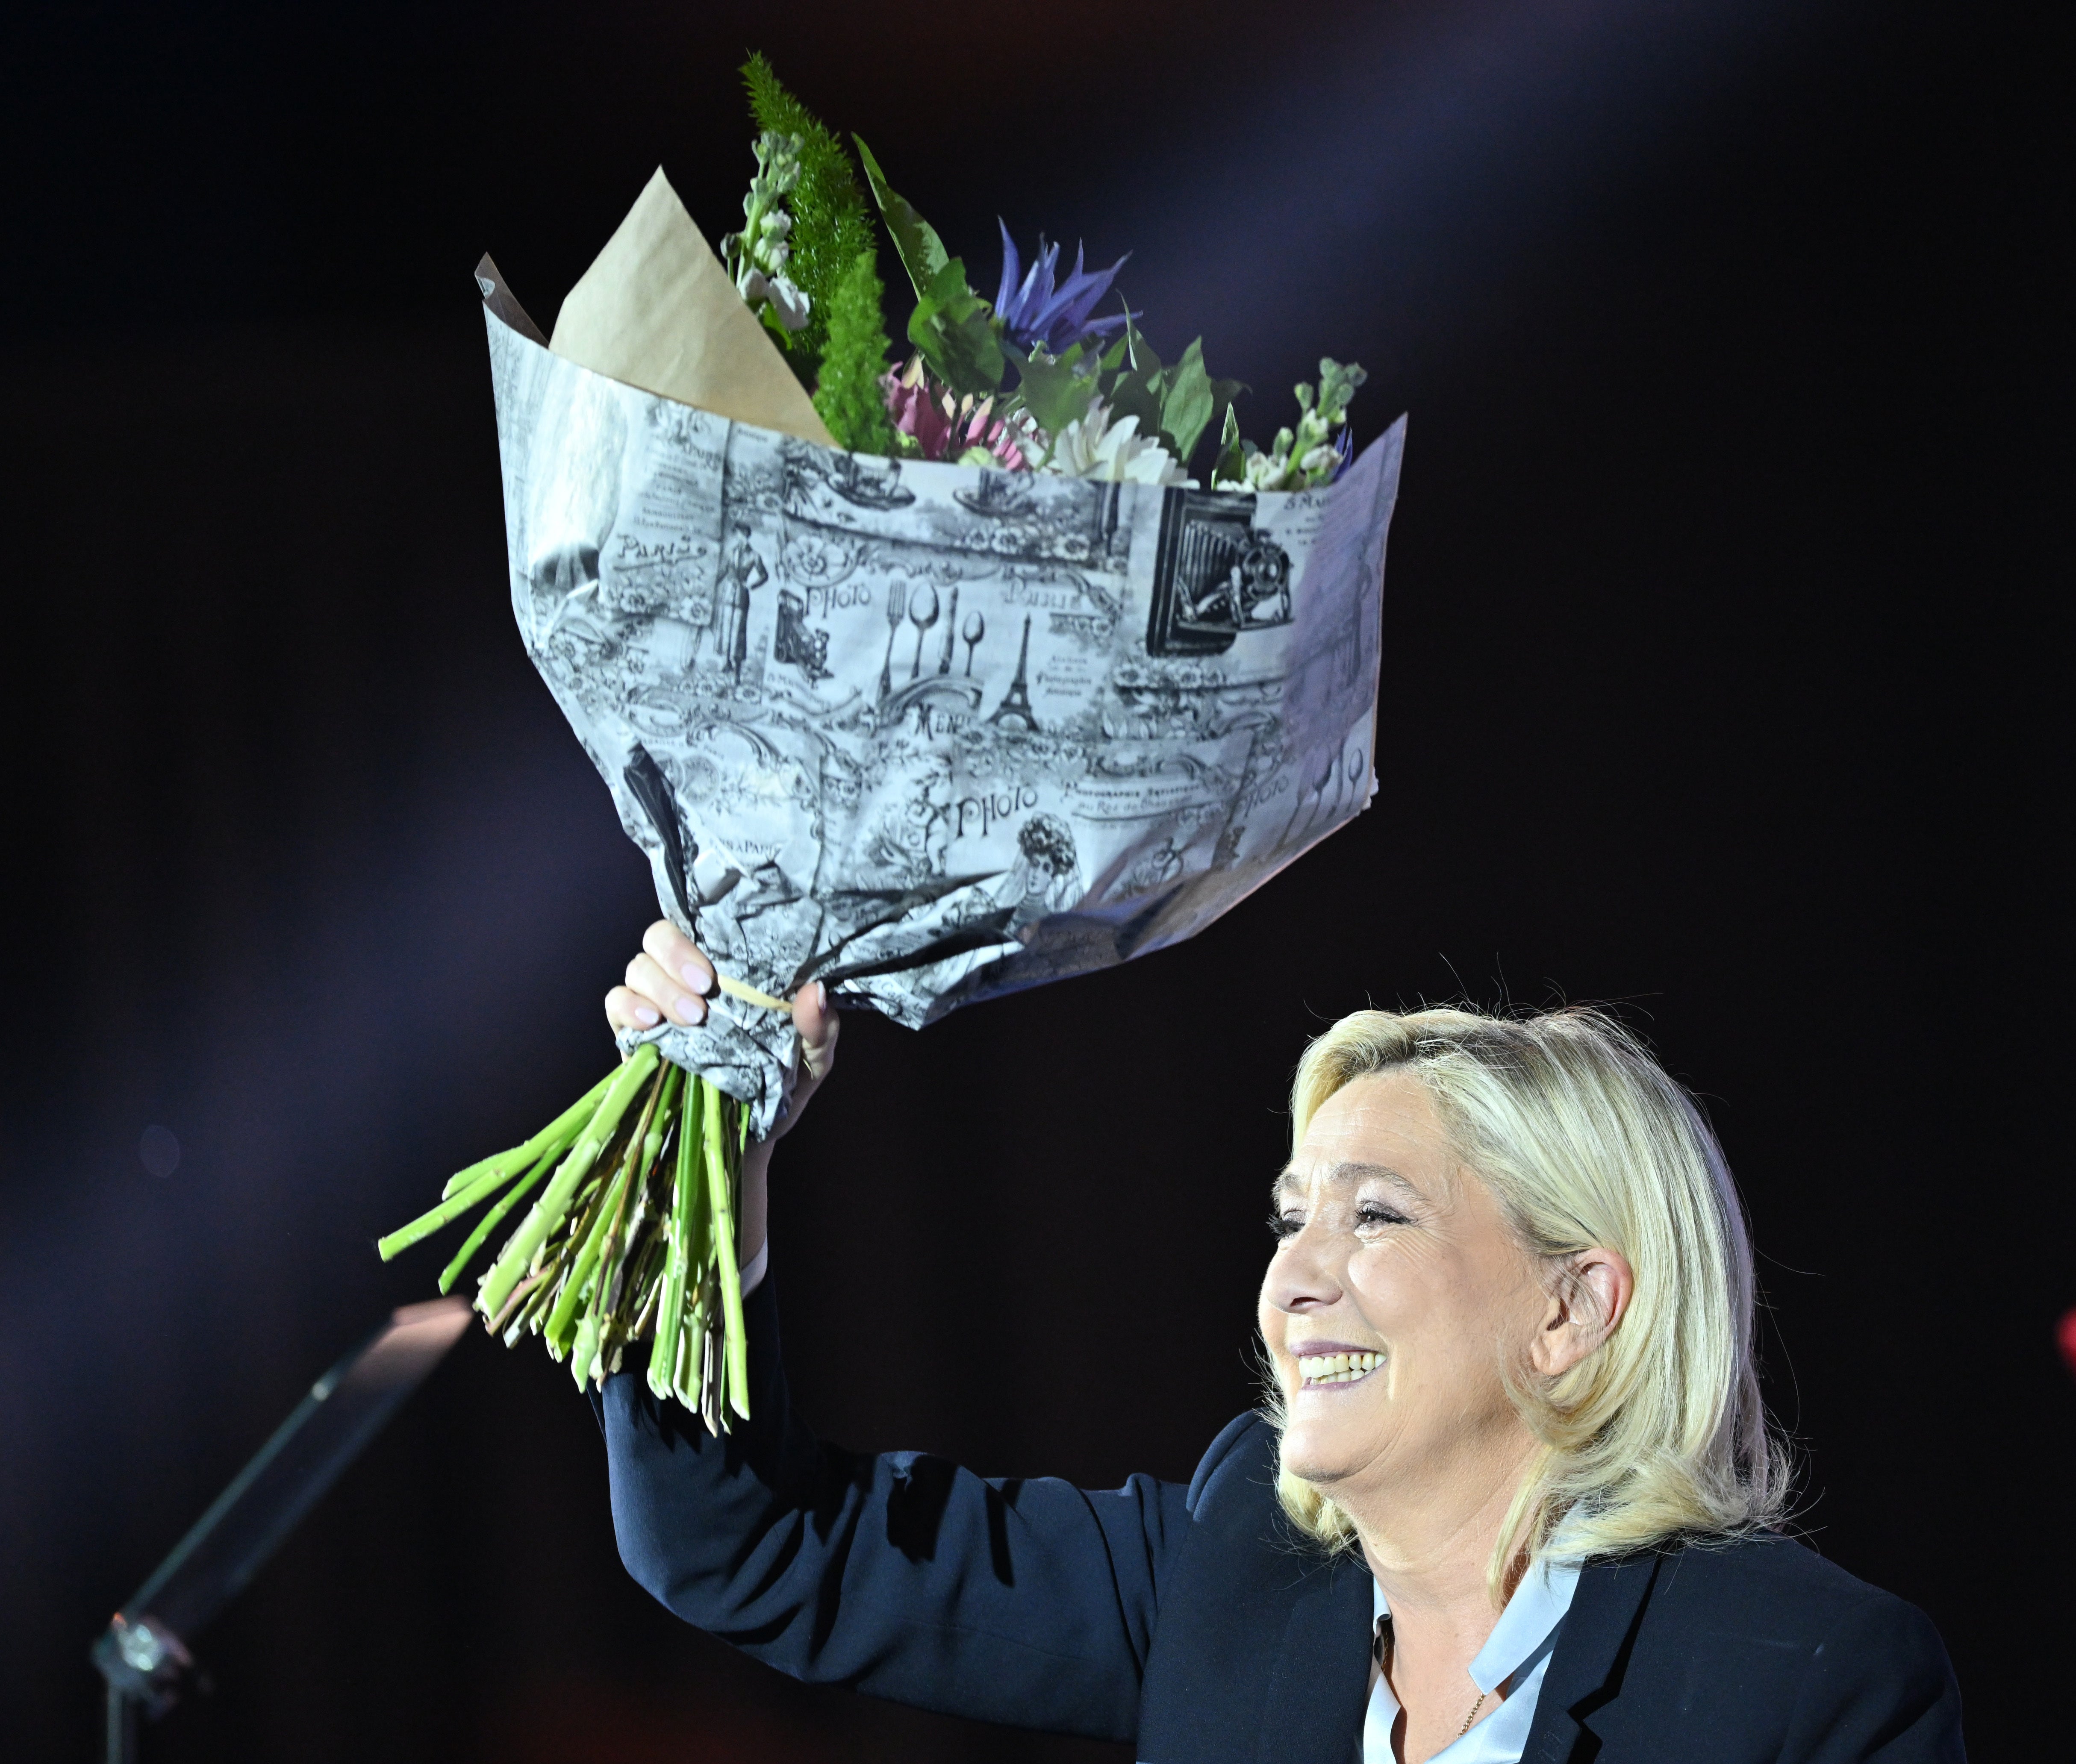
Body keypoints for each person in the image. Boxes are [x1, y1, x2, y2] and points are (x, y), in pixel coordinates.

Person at [601, 921, 1965, 1764]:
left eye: (1373, 1217)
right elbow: (753, 1544)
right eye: (1287, 1218)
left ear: (1572, 1309)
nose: (1290, 1283)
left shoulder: (1812, 1686)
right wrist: (702, 1162)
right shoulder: (1233, 1566)